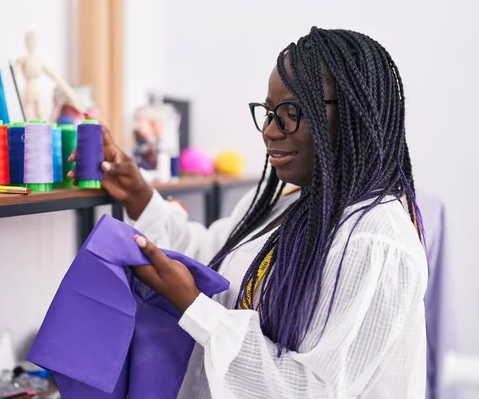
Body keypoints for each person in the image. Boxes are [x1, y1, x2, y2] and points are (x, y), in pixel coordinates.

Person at [68, 27, 428, 398]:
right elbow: (210, 260)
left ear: (353, 112)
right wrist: (140, 196)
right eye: (269, 113)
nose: (270, 131)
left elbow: (312, 389)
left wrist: (195, 308)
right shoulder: (288, 205)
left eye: (290, 112)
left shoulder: (374, 243)